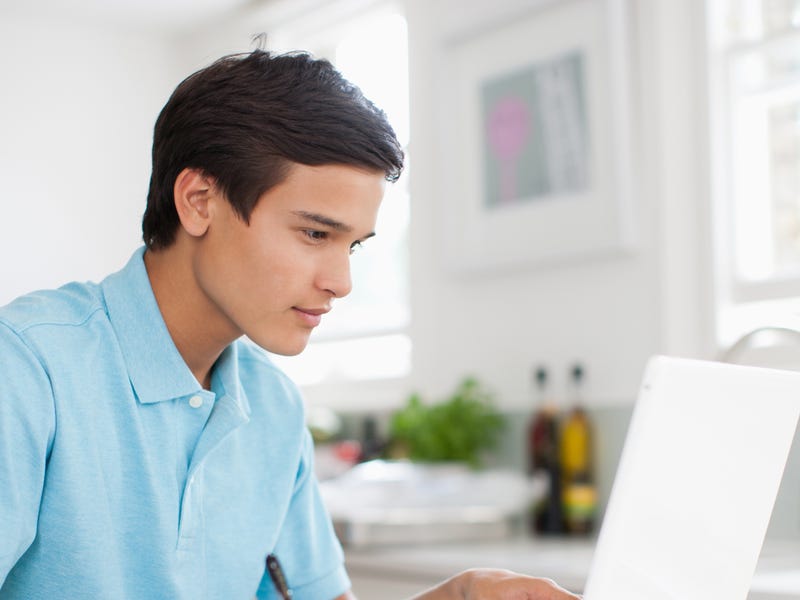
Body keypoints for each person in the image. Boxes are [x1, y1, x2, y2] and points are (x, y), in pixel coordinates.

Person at [0, 48, 580, 600]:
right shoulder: (27, 369)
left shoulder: (271, 406)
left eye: (351, 247)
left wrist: (458, 594)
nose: (340, 282)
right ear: (199, 200)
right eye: (314, 234)